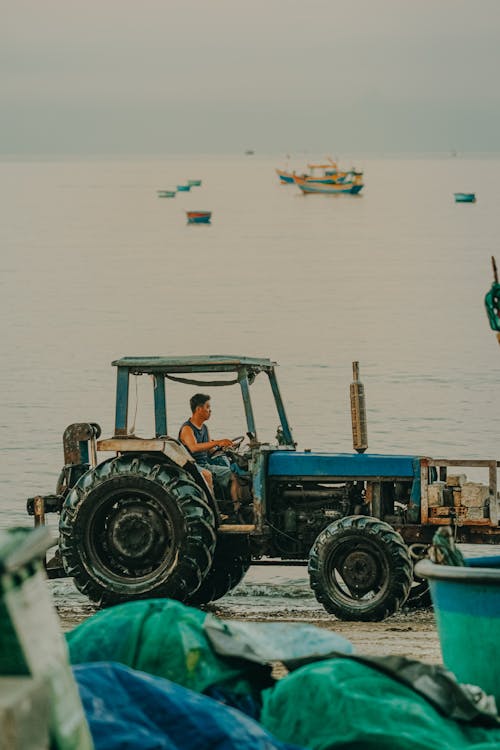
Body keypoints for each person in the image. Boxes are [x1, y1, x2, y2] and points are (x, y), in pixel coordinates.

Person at [178, 393, 239, 511]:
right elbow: (193, 448)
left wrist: (225, 447)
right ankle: (212, 510)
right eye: (208, 407)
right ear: (198, 409)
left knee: (234, 474)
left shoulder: (204, 428)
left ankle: (236, 508)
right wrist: (217, 442)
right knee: (207, 475)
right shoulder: (187, 428)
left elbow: (210, 449)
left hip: (204, 464)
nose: (210, 411)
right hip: (191, 466)